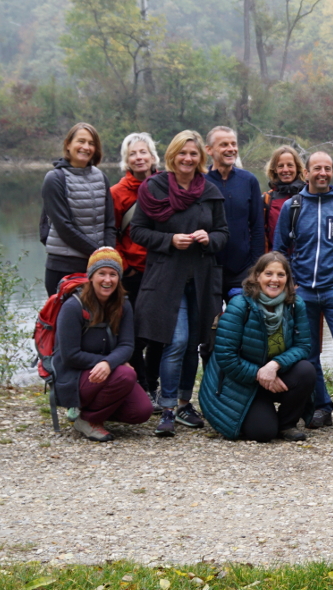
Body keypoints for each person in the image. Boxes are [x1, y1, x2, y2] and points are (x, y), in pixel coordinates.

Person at [130, 130, 228, 437]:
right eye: (182, 153)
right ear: (172, 155)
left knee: (194, 345)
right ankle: (168, 407)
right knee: (176, 341)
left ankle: (186, 403)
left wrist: (208, 238)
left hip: (201, 279)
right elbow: (137, 231)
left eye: (194, 154)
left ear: (202, 157)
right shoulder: (153, 187)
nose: (188, 159)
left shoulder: (209, 191)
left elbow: (224, 234)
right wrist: (169, 240)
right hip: (166, 278)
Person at [273, 151, 333, 433]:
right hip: (303, 294)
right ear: (307, 173)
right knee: (309, 355)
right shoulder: (293, 206)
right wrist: (292, 284)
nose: (322, 173)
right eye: (317, 168)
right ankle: (321, 407)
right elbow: (279, 250)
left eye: (327, 168)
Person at [199, 252, 315, 442]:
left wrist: (274, 365)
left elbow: (303, 346)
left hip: (273, 373)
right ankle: (260, 413)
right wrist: (260, 375)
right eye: (268, 274)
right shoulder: (240, 305)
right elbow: (226, 357)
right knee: (263, 433)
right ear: (257, 276)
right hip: (239, 382)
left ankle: (287, 424)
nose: (274, 280)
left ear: (287, 279)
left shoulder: (295, 304)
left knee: (306, 371)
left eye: (281, 275)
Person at [52, 247, 153, 442]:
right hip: (73, 377)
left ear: (119, 277)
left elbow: (127, 346)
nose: (108, 280)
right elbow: (70, 355)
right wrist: (110, 363)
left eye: (113, 274)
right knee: (126, 375)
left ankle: (89, 413)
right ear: (91, 276)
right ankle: (88, 419)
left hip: (105, 373)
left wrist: (108, 364)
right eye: (102, 274)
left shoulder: (123, 304)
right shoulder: (73, 306)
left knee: (141, 411)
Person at [111, 132, 162, 401]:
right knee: (130, 332)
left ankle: (152, 385)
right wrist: (125, 268)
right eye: (133, 154)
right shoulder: (117, 193)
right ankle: (141, 385)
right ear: (126, 161)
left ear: (153, 156)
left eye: (143, 152)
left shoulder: (167, 185)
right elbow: (111, 234)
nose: (139, 157)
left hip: (161, 271)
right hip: (132, 273)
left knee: (158, 334)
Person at [41, 122, 116, 296]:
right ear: (68, 144)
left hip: (97, 268)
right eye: (81, 141)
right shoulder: (54, 179)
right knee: (66, 321)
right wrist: (99, 253)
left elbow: (110, 223)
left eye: (91, 143)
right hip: (63, 268)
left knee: (98, 322)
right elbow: (64, 227)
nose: (86, 147)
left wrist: (108, 254)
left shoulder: (101, 177)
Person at [205, 126, 263, 293]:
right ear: (209, 150)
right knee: (207, 319)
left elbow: (257, 226)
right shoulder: (200, 182)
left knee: (241, 317)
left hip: (243, 269)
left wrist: (255, 266)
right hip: (209, 267)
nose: (231, 149)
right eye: (224, 144)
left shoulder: (248, 180)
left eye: (233, 144)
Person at [262, 145, 305, 251]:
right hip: (277, 261)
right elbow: (261, 235)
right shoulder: (267, 199)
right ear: (275, 169)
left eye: (290, 165)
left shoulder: (309, 196)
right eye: (281, 166)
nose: (285, 170)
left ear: (297, 168)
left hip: (304, 261)